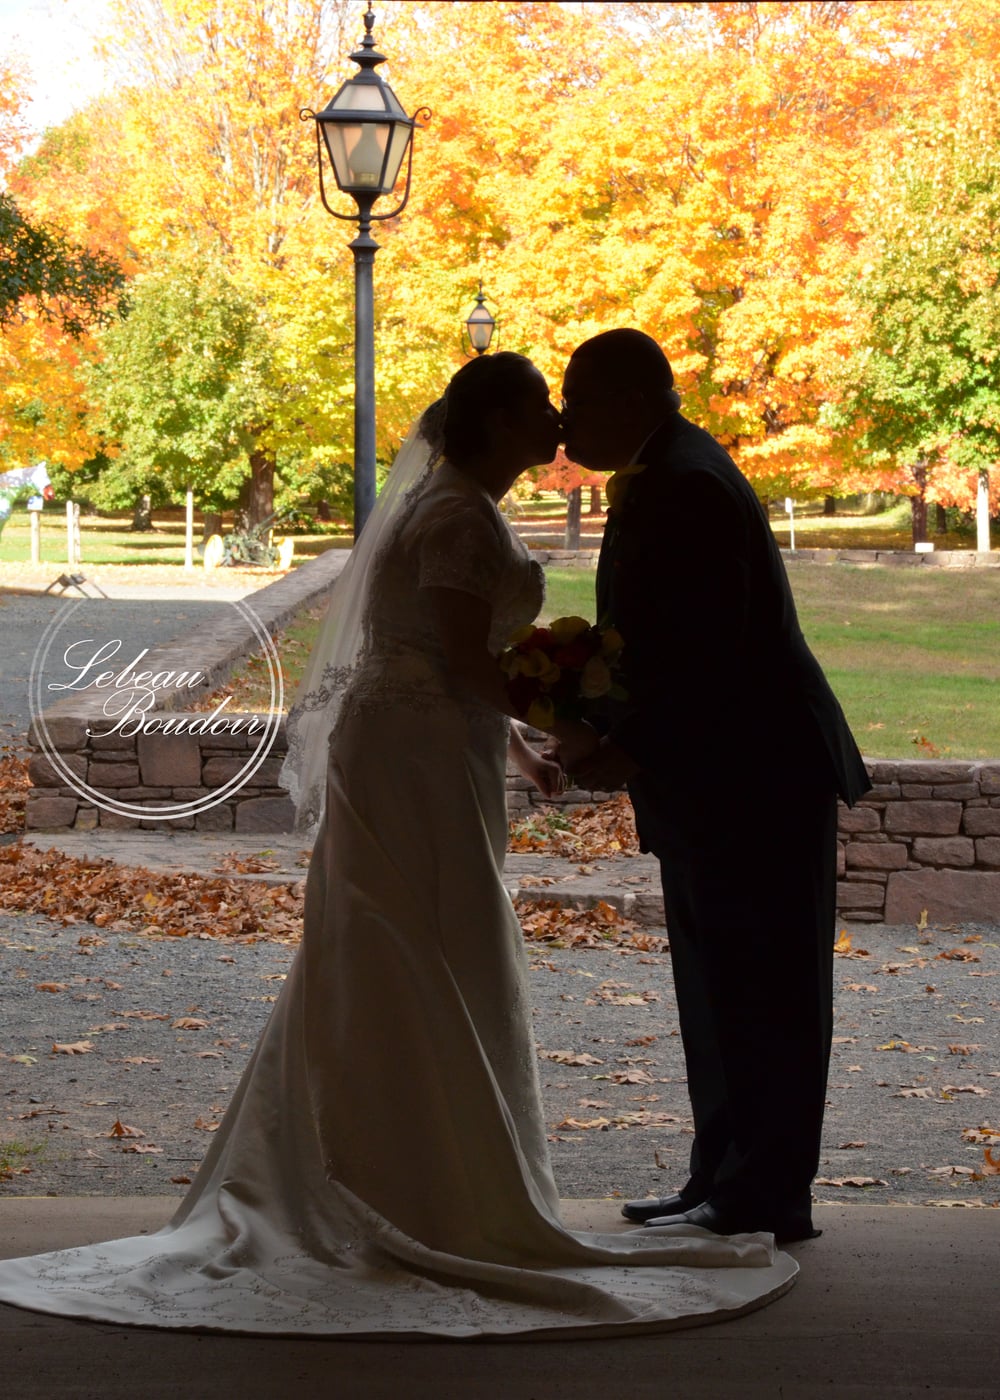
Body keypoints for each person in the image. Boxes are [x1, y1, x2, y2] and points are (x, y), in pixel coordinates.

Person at [0, 352, 797, 1339]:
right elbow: (461, 657)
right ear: (499, 423)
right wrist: (572, 730)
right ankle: (413, 1178)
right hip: (413, 752)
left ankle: (400, 1153)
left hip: (425, 739)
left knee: (412, 932)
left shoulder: (450, 502)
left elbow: (436, 650)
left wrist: (516, 732)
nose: (557, 422)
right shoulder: (457, 513)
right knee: (418, 933)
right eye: (542, 408)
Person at [554, 329, 870, 1245]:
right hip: (723, 780)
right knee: (723, 985)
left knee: (764, 988)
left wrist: (629, 746)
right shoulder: (670, 471)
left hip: (755, 780)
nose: (566, 420)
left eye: (576, 399)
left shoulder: (686, 484)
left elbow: (708, 652)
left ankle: (765, 1191)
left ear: (629, 400)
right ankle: (726, 1178)